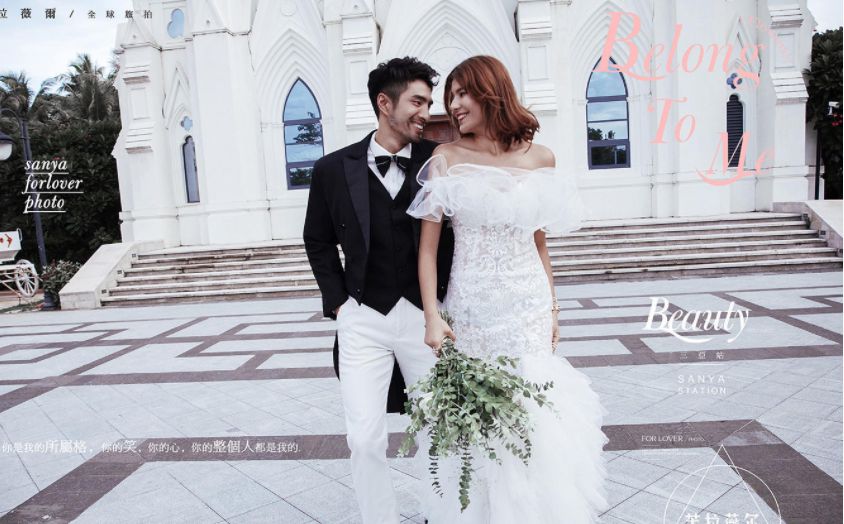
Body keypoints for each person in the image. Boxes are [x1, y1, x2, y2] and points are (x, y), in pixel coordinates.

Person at [407, 55, 609, 523]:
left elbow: (540, 242)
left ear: (490, 91)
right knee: (480, 418)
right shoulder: (446, 159)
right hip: (471, 308)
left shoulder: (541, 158)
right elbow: (427, 251)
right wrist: (432, 316)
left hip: (527, 305)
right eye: (450, 97)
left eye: (462, 93)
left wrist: (553, 308)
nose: (454, 105)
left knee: (534, 410)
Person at [303, 56, 455, 524]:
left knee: (438, 428)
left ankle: (441, 515)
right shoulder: (332, 169)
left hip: (424, 316)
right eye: (417, 102)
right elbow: (317, 239)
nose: (425, 113)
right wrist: (339, 304)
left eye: (428, 102)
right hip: (362, 316)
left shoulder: (439, 160)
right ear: (384, 103)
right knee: (364, 438)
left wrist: (442, 305)